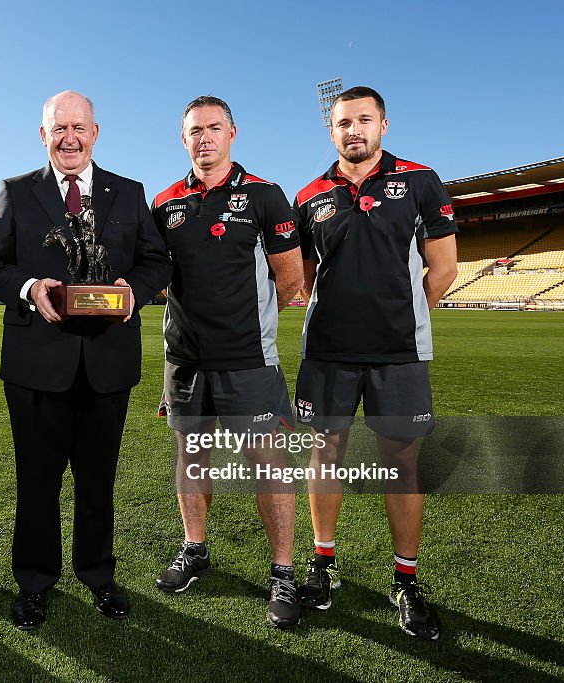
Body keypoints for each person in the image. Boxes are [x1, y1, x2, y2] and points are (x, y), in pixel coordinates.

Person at [0, 90, 172, 630]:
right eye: (58, 128)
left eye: (79, 127)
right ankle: (35, 582)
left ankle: (97, 573)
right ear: (43, 135)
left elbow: (158, 262)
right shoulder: (16, 193)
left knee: (97, 480)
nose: (69, 137)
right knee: (36, 481)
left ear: (96, 132)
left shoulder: (129, 194)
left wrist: (136, 289)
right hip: (37, 365)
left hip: (107, 364)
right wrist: (29, 285)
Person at [292, 86, 457, 640]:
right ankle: (321, 566)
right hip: (328, 352)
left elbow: (444, 269)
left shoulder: (420, 180)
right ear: (330, 130)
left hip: (398, 355)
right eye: (343, 122)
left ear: (383, 123)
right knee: (325, 456)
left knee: (401, 464)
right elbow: (307, 277)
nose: (353, 130)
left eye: (364, 120)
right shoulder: (310, 195)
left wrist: (400, 319)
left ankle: (407, 580)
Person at [151, 96, 305, 628]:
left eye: (214, 128)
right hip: (186, 362)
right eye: (194, 130)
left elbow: (290, 281)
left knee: (268, 463)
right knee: (192, 457)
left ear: (232, 133)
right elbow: (161, 279)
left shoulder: (265, 196)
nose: (204, 138)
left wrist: (247, 325)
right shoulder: (165, 203)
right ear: (183, 137)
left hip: (249, 361)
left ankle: (282, 572)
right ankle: (195, 550)